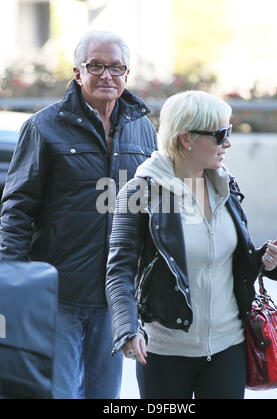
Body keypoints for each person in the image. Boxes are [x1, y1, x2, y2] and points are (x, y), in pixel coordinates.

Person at [106, 90, 277, 399]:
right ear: (187, 139)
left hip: (228, 348)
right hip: (165, 353)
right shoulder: (140, 192)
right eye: (221, 134)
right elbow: (118, 272)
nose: (229, 143)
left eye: (229, 132)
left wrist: (266, 259)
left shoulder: (226, 184)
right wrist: (127, 329)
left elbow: (230, 258)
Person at [0, 30, 157, 398]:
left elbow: (152, 211)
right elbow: (17, 209)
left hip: (114, 297)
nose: (107, 75)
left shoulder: (142, 130)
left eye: (116, 67)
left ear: (127, 74)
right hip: (58, 294)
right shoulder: (43, 127)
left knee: (105, 396)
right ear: (77, 72)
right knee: (59, 393)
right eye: (96, 66)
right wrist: (8, 280)